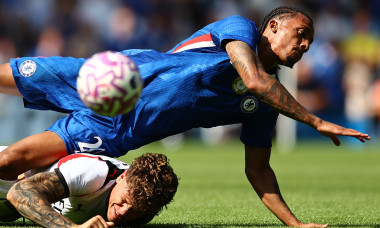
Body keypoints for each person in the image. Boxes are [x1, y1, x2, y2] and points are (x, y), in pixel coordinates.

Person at [0, 6, 370, 227]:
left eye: (310, 41)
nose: (305, 45)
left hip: (111, 130)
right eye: (301, 34)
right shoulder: (239, 29)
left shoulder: (263, 106)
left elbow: (258, 169)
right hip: (113, 78)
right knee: (8, 76)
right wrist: (315, 120)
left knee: (8, 163)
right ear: (272, 27)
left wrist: (295, 224)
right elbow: (255, 80)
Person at [0, 152, 178, 227]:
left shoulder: (145, 210)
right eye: (125, 200)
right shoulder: (95, 173)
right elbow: (18, 192)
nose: (124, 212)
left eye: (136, 209)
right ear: (123, 176)